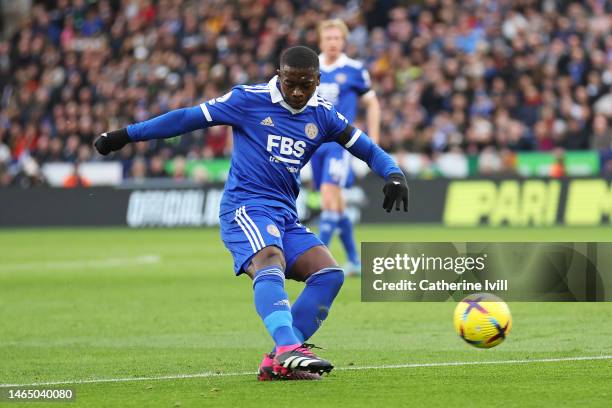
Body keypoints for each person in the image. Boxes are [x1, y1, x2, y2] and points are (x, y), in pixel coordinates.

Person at [94, 46, 408, 381]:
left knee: (329, 274)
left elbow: (368, 149)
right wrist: (124, 136)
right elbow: (187, 118)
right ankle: (289, 347)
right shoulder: (247, 99)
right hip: (245, 206)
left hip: (284, 213)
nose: (299, 91)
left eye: (307, 84)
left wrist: (393, 173)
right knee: (270, 257)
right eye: (291, 83)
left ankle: (277, 361)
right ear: (278, 75)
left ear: (318, 80)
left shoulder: (324, 114)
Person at [310, 19, 381, 276]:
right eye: (328, 38)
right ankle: (354, 261)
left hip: (339, 143)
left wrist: (372, 139)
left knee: (329, 197)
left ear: (344, 41)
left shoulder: (354, 70)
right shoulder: (309, 68)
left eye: (337, 38)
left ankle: (318, 263)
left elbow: (372, 103)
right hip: (312, 144)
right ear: (320, 41)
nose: (332, 43)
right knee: (337, 205)